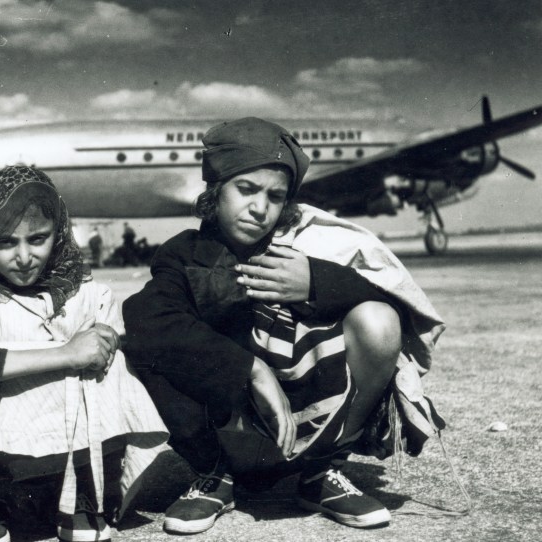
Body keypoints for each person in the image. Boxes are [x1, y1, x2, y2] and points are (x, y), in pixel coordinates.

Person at [122, 118, 445, 534]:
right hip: (227, 419)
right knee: (144, 348)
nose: (260, 208)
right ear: (215, 189)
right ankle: (215, 476)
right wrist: (251, 370)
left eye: (276, 196)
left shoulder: (307, 246)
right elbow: (147, 318)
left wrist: (315, 281)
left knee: (379, 320)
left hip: (305, 416)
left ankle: (320, 472)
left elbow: (390, 302)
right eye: (246, 189)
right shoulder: (183, 253)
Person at [0, 166, 168, 542]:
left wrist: (104, 341)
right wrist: (65, 354)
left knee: (113, 368)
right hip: (10, 442)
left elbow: (110, 348)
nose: (24, 256)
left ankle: (84, 498)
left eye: (37, 239)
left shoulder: (83, 290)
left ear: (58, 234)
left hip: (70, 434)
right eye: (5, 242)